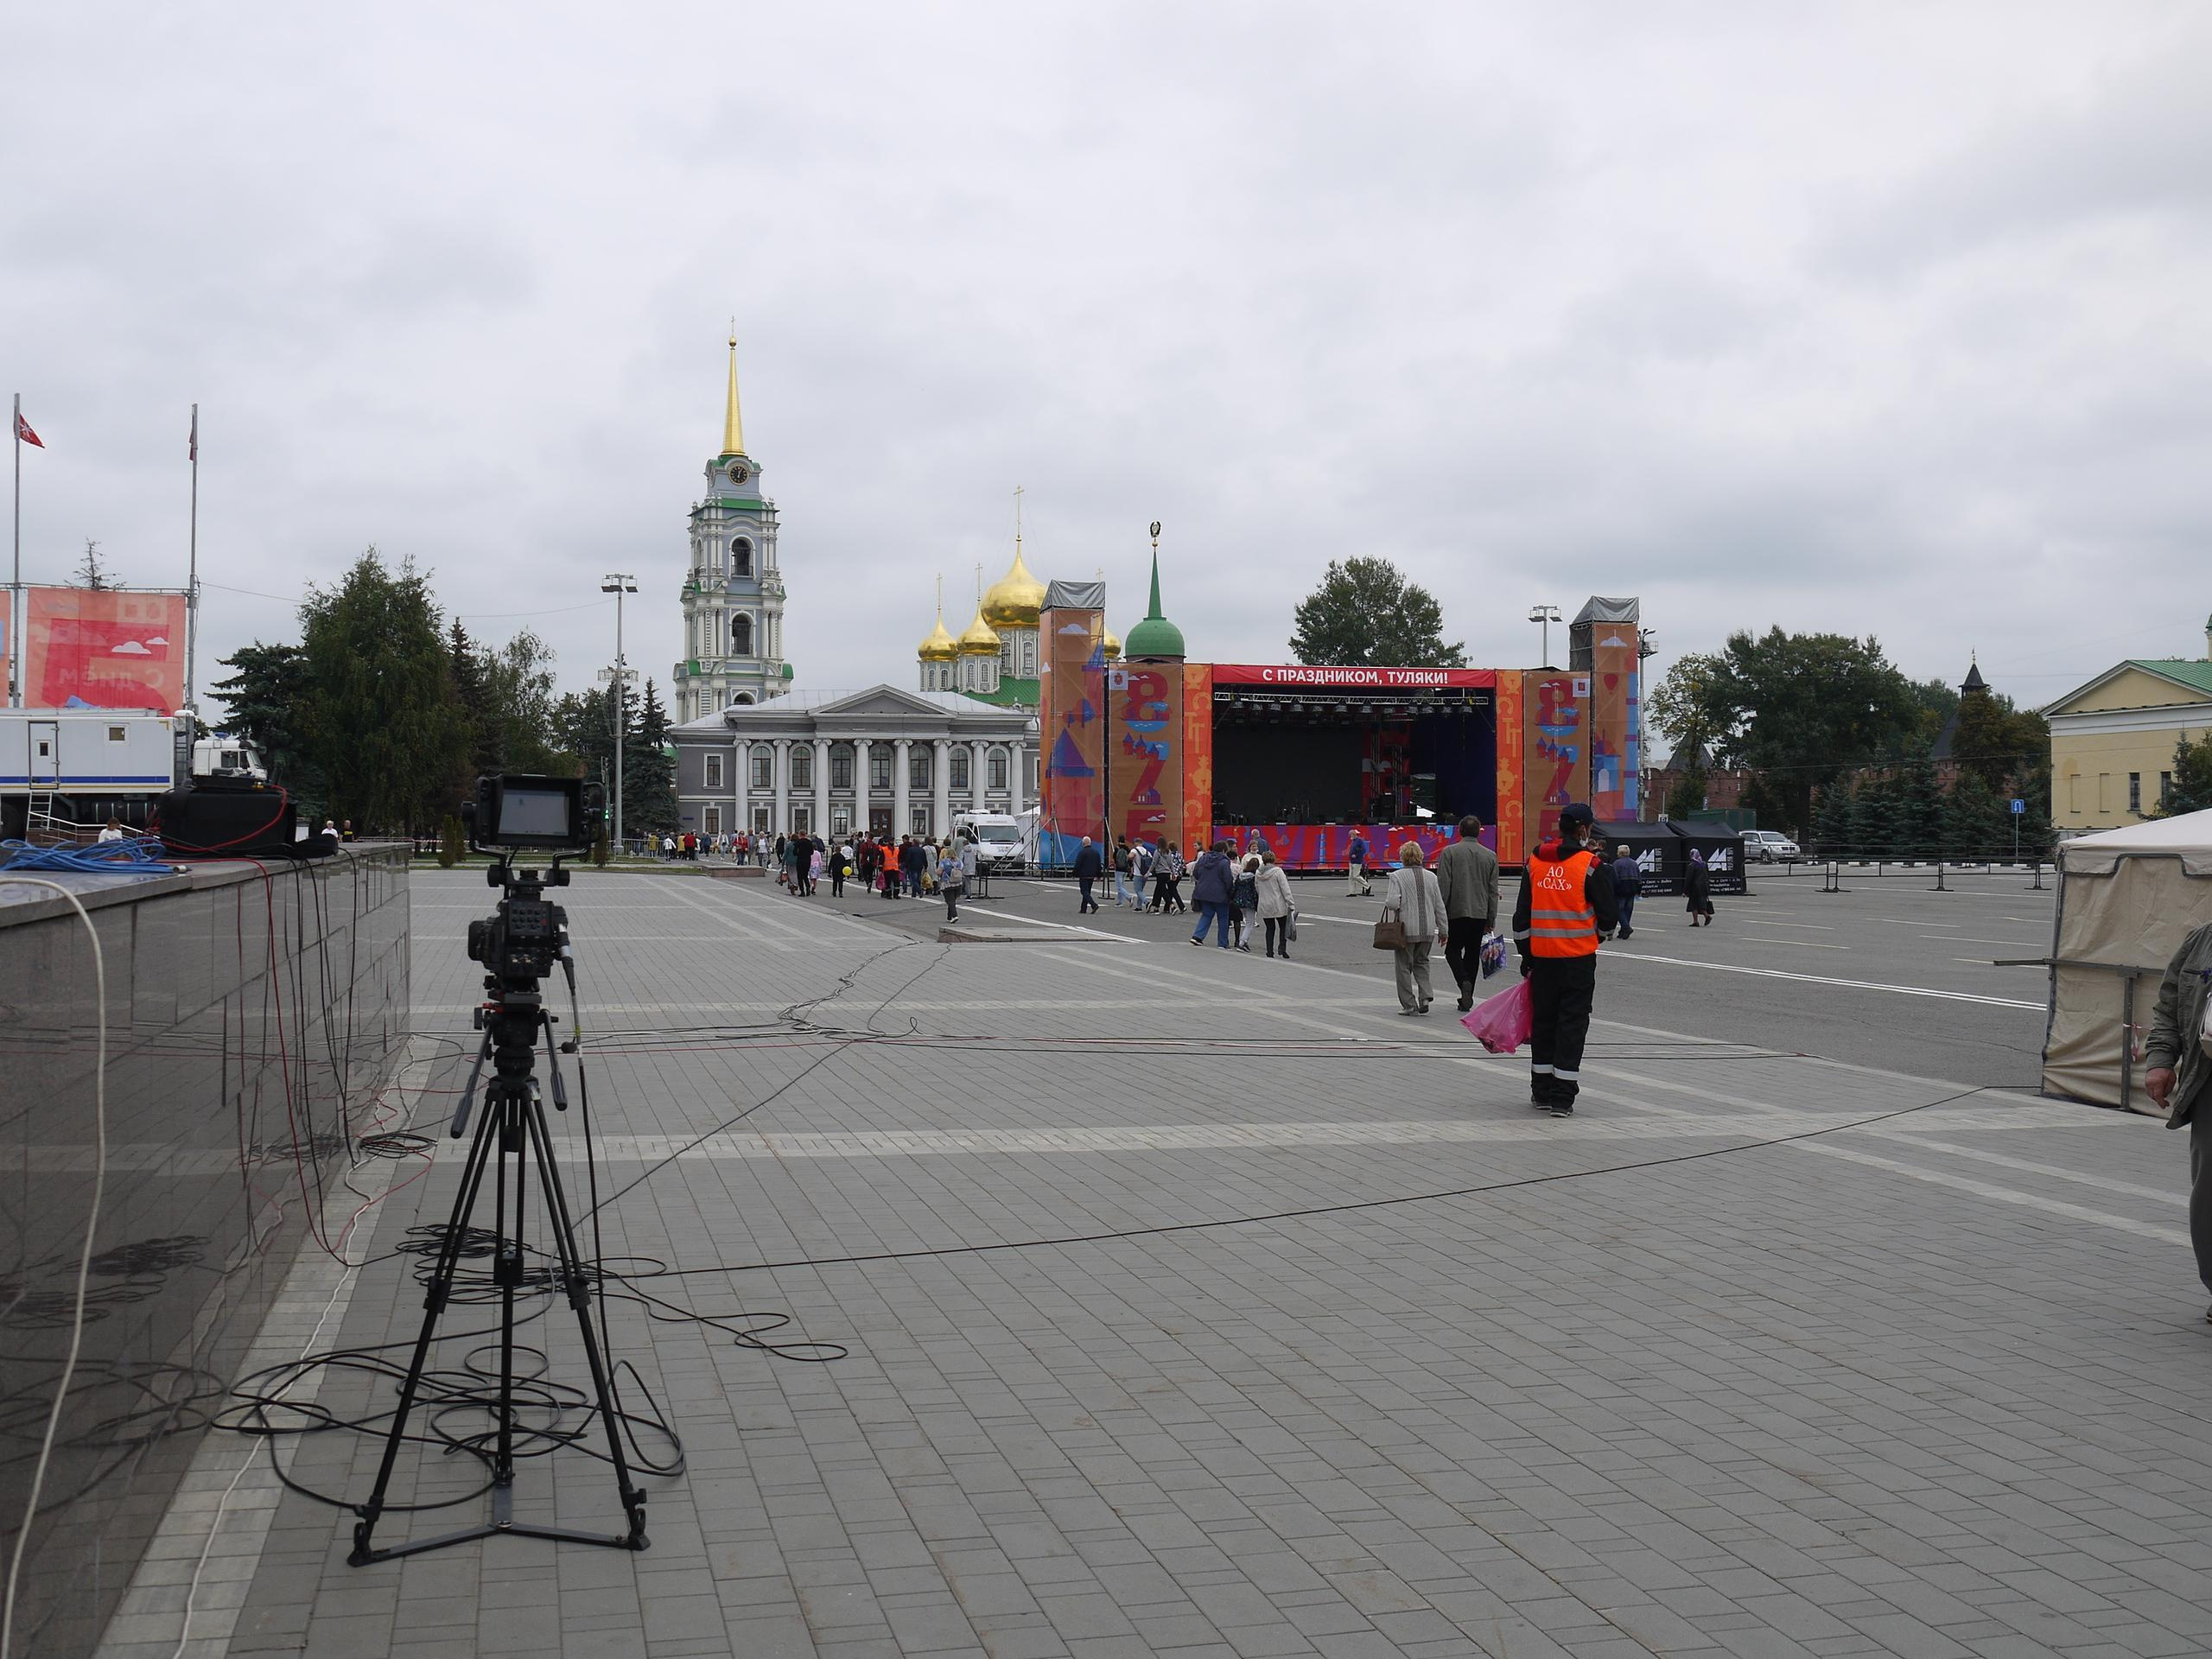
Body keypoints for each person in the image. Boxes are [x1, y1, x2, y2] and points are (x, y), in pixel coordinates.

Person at [1512, 801, 1619, 1117]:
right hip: (1577, 961)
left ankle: (1541, 1092)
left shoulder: (1534, 861)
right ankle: (1562, 1098)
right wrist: (1597, 935)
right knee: (1571, 1026)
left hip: (1542, 959)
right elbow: (1609, 917)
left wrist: (1527, 955)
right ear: (1584, 829)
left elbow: (1521, 918)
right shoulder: (1590, 865)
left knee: (1543, 1024)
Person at [2144, 920, 2212, 1322]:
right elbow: (2170, 1007)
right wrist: (2160, 1061)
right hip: (2209, 1083)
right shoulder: (2202, 940)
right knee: (2210, 1192)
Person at [1434, 816, 1500, 1013]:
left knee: (1452, 951)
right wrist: (1491, 917)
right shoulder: (1490, 856)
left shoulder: (1449, 852)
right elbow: (1493, 891)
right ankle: (1467, 995)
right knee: (1472, 953)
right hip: (1480, 913)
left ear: (1460, 831)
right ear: (1479, 832)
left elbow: (1443, 886)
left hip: (1456, 911)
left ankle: (1464, 982)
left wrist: (1440, 914)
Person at [1383, 842, 1446, 1014]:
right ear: (1420, 856)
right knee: (1422, 962)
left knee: (1403, 966)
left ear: (1402, 857)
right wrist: (1443, 930)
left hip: (1406, 930)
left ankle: (1409, 1005)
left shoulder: (1396, 876)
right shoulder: (1431, 877)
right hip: (1427, 929)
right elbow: (1439, 906)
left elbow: (1392, 903)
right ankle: (1425, 996)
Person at [1188, 840, 1235, 948]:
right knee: (1223, 917)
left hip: (1203, 892)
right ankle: (1222, 943)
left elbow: (1196, 873)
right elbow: (1228, 879)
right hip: (1220, 894)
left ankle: (1197, 937)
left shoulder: (1203, 859)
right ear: (1223, 850)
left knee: (1207, 914)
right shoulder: (1224, 862)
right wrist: (1230, 892)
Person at [1255, 849, 1294, 958]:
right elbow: (1285, 889)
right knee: (1283, 927)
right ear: (1274, 860)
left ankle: (1269, 952)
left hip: (1264, 903)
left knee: (1270, 928)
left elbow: (1257, 888)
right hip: (1278, 904)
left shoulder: (1258, 873)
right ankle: (1282, 948)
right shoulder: (1278, 872)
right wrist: (1291, 903)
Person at [1610, 843, 1643, 938]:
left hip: (1621, 887)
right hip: (1633, 887)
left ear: (1620, 853)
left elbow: (1614, 877)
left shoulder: (1617, 863)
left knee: (1619, 909)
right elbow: (1639, 877)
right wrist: (1639, 890)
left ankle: (1626, 927)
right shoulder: (1634, 863)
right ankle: (1624, 931)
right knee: (1628, 909)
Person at [1230, 855, 1261, 952]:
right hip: (1250, 902)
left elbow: (1234, 888)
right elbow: (1255, 891)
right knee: (1250, 923)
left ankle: (1244, 942)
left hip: (1239, 902)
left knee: (1247, 921)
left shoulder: (1240, 876)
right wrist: (1257, 903)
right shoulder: (1254, 878)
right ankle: (1242, 942)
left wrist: (1232, 898)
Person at [1071, 836, 1103, 912]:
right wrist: (1099, 875)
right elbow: (1098, 865)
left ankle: (1093, 905)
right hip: (1092, 875)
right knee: (1087, 892)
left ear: (1083, 843)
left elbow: (1078, 864)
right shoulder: (1096, 852)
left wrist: (1074, 873)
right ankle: (1083, 908)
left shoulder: (1082, 853)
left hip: (1084, 875)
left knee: (1084, 891)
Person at [938, 841, 966, 922]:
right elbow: (962, 870)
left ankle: (954, 915)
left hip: (947, 883)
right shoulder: (959, 861)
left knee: (949, 900)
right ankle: (949, 917)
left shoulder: (944, 862)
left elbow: (939, 872)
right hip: (958, 883)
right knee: (952, 900)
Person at [1686, 848, 1715, 925]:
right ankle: (1706, 916)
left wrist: (1685, 891)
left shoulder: (1692, 865)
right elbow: (1707, 875)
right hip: (1704, 888)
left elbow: (1689, 879)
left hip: (1695, 889)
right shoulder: (1704, 864)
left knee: (1693, 905)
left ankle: (1696, 921)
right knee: (1702, 903)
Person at [1112, 837, 1141, 909]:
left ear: (1118, 841)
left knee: (1119, 887)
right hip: (1125, 870)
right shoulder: (1127, 848)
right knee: (1121, 886)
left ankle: (1129, 897)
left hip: (1119, 869)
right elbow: (1130, 860)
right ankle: (1120, 902)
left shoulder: (1117, 848)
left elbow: (1114, 859)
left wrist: (1115, 865)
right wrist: (1131, 869)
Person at [1346, 829, 1373, 898]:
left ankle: (1367, 886)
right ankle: (1352, 892)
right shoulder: (1354, 841)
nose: (1350, 836)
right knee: (1351, 877)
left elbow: (1364, 850)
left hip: (1357, 861)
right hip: (1352, 861)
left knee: (1356, 876)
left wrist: (1356, 855)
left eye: (1350, 835)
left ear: (1354, 834)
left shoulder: (1359, 841)